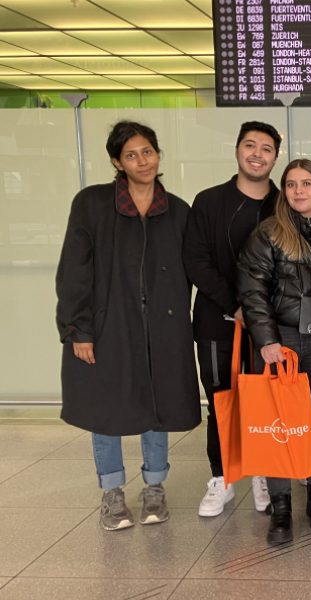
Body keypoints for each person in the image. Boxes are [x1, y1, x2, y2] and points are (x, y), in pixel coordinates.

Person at [56, 120, 200, 531]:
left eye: (148, 152)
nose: (142, 161)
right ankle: (112, 493)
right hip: (109, 326)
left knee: (157, 407)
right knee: (107, 409)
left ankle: (154, 487)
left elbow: (195, 269)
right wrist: (78, 329)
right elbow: (74, 271)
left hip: (162, 328)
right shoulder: (92, 204)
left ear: (158, 154)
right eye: (131, 155)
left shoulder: (178, 210)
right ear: (117, 162)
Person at [237, 159, 311, 545]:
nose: (298, 191)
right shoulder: (268, 234)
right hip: (280, 341)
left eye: (306, 183)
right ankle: (281, 503)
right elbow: (252, 290)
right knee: (279, 423)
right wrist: (266, 340)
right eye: (290, 184)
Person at [184, 121, 281, 518]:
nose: (257, 154)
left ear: (276, 157)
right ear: (237, 150)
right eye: (250, 145)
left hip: (271, 327)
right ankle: (221, 477)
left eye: (267, 148)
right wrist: (236, 305)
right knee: (221, 400)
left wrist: (260, 313)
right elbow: (196, 261)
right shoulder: (208, 201)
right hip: (217, 320)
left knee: (266, 402)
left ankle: (263, 473)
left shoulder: (284, 205)